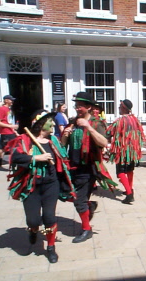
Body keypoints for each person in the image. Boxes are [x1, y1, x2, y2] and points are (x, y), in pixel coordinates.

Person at [7, 110, 75, 263]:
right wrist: (36, 157)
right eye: (50, 122)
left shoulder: (53, 140)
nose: (53, 124)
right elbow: (15, 157)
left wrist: (65, 138)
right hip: (31, 186)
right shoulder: (25, 139)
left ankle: (50, 248)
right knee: (33, 220)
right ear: (41, 125)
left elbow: (62, 154)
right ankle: (33, 230)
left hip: (51, 184)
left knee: (49, 217)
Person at [61, 92, 116, 243]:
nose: (78, 108)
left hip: (89, 167)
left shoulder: (97, 123)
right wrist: (66, 134)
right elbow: (63, 145)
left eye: (81, 106)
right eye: (76, 105)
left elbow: (104, 143)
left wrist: (88, 128)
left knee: (79, 201)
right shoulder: (73, 121)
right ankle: (89, 205)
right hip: (73, 165)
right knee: (64, 193)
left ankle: (87, 229)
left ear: (89, 107)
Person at [106, 99, 145, 204]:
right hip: (133, 150)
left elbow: (108, 132)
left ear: (123, 108)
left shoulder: (120, 121)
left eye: (119, 106)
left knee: (121, 172)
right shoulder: (135, 120)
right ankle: (130, 189)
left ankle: (129, 194)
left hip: (122, 151)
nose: (118, 108)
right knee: (129, 170)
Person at [0, 95, 19, 166]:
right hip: (5, 132)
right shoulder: (2, 109)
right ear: (6, 100)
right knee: (5, 149)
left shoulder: (9, 109)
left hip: (10, 131)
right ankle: (14, 163)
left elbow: (8, 121)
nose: (12, 101)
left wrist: (14, 130)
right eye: (10, 100)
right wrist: (10, 126)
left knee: (5, 148)